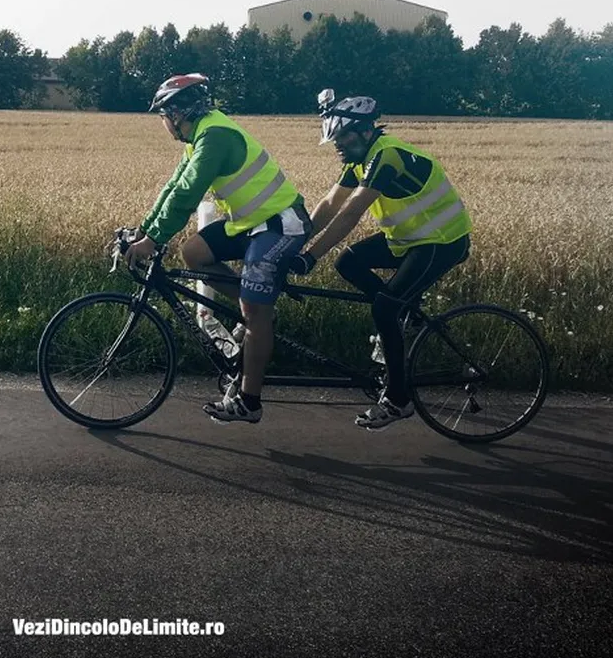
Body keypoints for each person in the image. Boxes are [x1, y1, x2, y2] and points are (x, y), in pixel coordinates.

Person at [125, 73, 312, 424]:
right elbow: (173, 187)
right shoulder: (198, 138)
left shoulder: (215, 136)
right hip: (251, 223)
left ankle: (249, 401)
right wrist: (145, 230)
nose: (163, 123)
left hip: (280, 224)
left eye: (163, 116)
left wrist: (153, 242)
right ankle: (257, 308)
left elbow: (187, 195)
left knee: (255, 314)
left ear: (176, 113)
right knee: (194, 253)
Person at [289, 89, 473, 431]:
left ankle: (398, 400)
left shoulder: (386, 156)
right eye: (335, 139)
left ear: (365, 131)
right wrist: (296, 243)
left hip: (441, 240)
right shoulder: (359, 158)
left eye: (342, 136)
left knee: (384, 308)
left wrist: (311, 257)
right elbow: (331, 204)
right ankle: (404, 314)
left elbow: (350, 214)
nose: (337, 145)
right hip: (409, 239)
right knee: (347, 263)